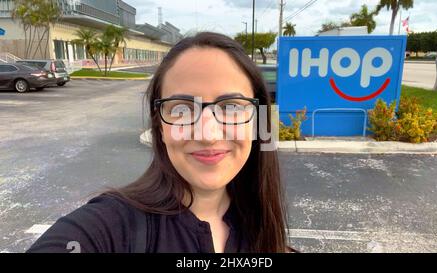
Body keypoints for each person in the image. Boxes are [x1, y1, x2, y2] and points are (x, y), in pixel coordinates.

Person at [27, 32, 294, 253]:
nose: (208, 134)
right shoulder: (112, 227)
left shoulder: (263, 227)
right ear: (160, 127)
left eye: (232, 107)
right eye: (183, 109)